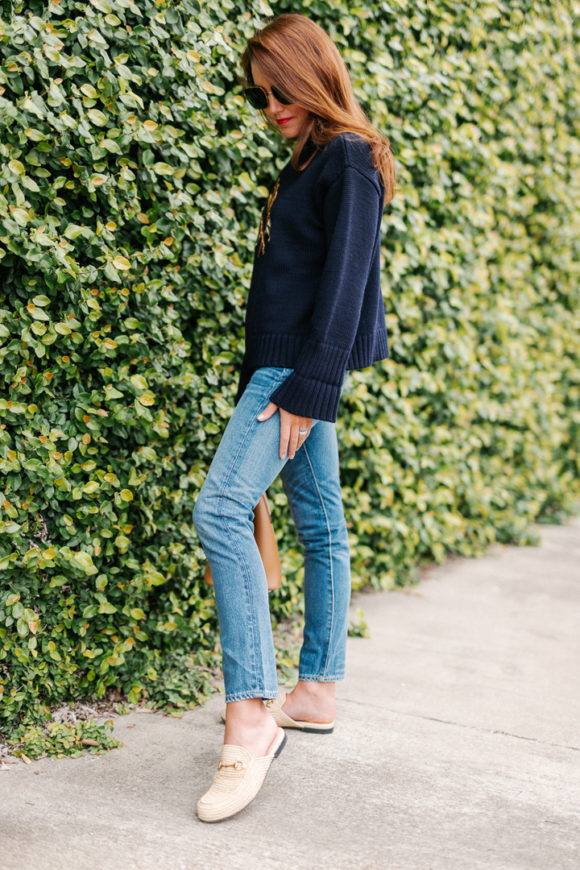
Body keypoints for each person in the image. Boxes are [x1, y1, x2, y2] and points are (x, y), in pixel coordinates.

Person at [193, 12, 396, 823]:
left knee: (218, 509)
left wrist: (308, 391)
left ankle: (252, 718)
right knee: (320, 520)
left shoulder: (346, 157)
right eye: (260, 94)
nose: (271, 103)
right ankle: (314, 689)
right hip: (284, 367)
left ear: (313, 74)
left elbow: (345, 288)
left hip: (298, 373)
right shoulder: (309, 159)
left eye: (280, 87)